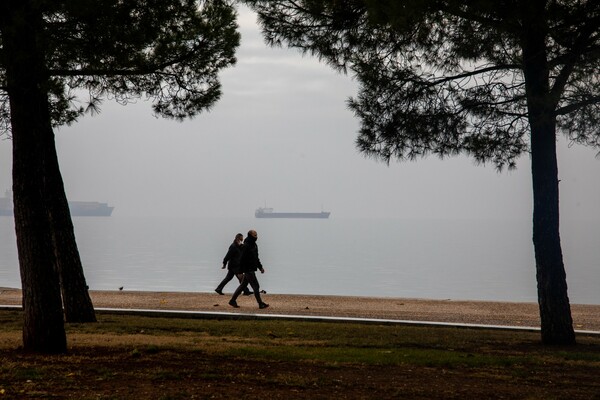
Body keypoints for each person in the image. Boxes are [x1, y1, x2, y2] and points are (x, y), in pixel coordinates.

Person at [229, 229, 269, 309]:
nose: (256, 237)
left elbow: (256, 258)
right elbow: (242, 258)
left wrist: (260, 267)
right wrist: (240, 271)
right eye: (255, 235)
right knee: (256, 286)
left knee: (243, 285)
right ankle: (260, 304)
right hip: (248, 269)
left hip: (252, 268)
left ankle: (232, 300)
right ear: (250, 236)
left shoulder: (254, 245)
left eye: (256, 235)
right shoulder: (246, 245)